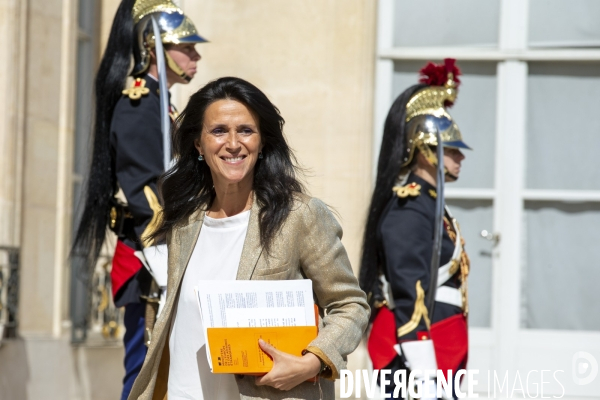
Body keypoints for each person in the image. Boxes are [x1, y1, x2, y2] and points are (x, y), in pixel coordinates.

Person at [127, 77, 369, 400]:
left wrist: (311, 363)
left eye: (245, 130)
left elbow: (350, 305)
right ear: (198, 144)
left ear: (262, 141)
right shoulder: (183, 222)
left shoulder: (300, 215)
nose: (233, 143)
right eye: (218, 131)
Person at [71, 1, 206, 399]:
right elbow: (145, 192)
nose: (196, 55)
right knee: (146, 376)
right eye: (187, 47)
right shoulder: (138, 104)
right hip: (151, 257)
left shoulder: (162, 106)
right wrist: (175, 249)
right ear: (154, 48)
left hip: (166, 252)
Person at [359, 59, 471, 399]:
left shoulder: (431, 205)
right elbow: (410, 293)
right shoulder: (410, 207)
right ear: (425, 150)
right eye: (451, 149)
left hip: (442, 341)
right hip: (414, 355)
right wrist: (424, 376)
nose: (460, 158)